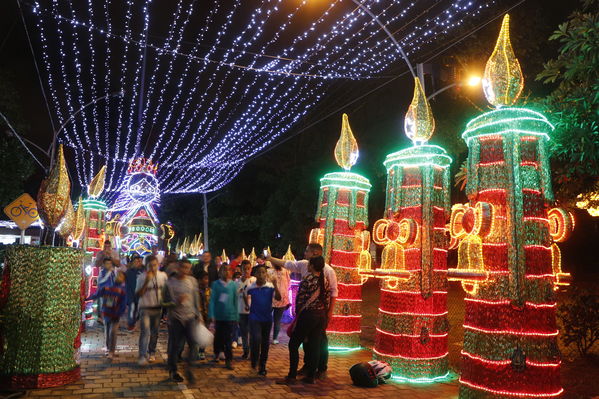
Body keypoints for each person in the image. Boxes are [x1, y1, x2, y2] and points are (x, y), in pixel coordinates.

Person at [267, 243, 338, 380]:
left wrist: (329, 313)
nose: (304, 254)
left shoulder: (325, 272)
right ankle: (310, 372)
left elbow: (302, 299)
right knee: (313, 343)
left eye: (307, 251)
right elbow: (287, 264)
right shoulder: (311, 270)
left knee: (304, 343)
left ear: (315, 254)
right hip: (319, 313)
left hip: (310, 315)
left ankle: (317, 369)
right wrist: (270, 258)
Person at [277, 256, 331, 385]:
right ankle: (311, 376)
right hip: (321, 316)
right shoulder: (325, 281)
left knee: (293, 344)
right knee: (315, 346)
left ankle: (291, 376)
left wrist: (297, 316)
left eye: (309, 263)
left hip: (308, 316)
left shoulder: (307, 279)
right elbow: (327, 300)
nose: (307, 265)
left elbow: (300, 300)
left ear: (312, 266)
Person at [163, 259, 201, 383]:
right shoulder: (170, 283)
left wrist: (199, 315)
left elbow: (196, 299)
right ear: (178, 267)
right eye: (183, 267)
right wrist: (175, 302)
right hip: (176, 318)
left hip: (190, 317)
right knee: (176, 346)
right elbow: (163, 302)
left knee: (194, 344)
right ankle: (173, 370)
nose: (185, 270)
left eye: (188, 268)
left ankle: (189, 368)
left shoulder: (192, 281)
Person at [247, 265, 281, 376]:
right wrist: (248, 306)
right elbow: (244, 294)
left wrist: (276, 285)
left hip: (267, 319)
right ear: (255, 275)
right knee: (256, 339)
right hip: (254, 318)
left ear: (266, 274)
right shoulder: (251, 287)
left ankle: (262, 365)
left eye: (263, 272)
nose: (261, 275)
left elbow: (279, 298)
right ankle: (254, 358)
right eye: (259, 272)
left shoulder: (270, 286)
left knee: (265, 343)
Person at [136, 255, 168, 366]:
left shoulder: (163, 276)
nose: (153, 268)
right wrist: (146, 282)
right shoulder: (141, 277)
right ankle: (142, 355)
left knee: (155, 332)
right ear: (146, 266)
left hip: (158, 308)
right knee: (145, 332)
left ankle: (152, 352)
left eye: (155, 265)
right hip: (145, 308)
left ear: (158, 265)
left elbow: (167, 291)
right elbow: (138, 294)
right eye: (150, 266)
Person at [87, 271, 127, 359]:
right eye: (118, 275)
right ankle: (108, 349)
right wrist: (87, 298)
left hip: (115, 315)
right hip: (106, 313)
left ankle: (111, 351)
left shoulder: (122, 290)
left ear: (124, 279)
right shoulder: (107, 288)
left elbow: (123, 304)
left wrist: (119, 313)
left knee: (113, 332)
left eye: (121, 276)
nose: (119, 277)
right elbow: (97, 294)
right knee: (108, 331)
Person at [208, 264, 238, 370]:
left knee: (228, 339)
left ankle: (229, 360)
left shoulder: (234, 285)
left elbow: (235, 300)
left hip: (230, 316)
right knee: (218, 337)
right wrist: (211, 314)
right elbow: (212, 300)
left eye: (228, 270)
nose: (226, 272)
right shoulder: (215, 284)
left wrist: (236, 316)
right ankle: (217, 352)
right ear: (220, 272)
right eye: (223, 270)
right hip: (219, 316)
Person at [237, 260, 255, 359]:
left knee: (252, 333)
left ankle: (253, 352)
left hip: (252, 311)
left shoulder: (254, 280)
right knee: (244, 333)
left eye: (248, 269)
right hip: (241, 311)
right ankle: (245, 351)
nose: (246, 271)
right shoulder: (237, 282)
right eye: (244, 269)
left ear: (251, 269)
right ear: (241, 269)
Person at [269, 262, 291, 344]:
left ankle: (271, 337)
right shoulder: (285, 271)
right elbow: (289, 284)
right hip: (276, 298)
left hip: (274, 298)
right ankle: (274, 338)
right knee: (276, 320)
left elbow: (288, 284)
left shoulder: (269, 271)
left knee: (272, 319)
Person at [125, 255, 144, 331]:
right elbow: (127, 284)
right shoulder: (129, 272)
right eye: (136, 261)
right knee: (132, 310)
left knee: (139, 310)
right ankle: (131, 324)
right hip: (131, 295)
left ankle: (135, 323)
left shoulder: (143, 271)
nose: (138, 263)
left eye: (139, 261)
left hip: (140, 295)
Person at [96, 257, 117, 325]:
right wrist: (109, 273)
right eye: (107, 264)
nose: (109, 265)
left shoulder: (113, 272)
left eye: (110, 263)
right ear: (104, 265)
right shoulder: (102, 272)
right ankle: (104, 321)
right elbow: (101, 281)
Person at [197, 271, 211, 361]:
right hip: (198, 314)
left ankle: (201, 351)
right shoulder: (195, 290)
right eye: (204, 279)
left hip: (207, 315)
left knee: (204, 333)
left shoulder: (209, 290)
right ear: (199, 280)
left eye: (207, 279)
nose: (206, 281)